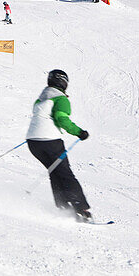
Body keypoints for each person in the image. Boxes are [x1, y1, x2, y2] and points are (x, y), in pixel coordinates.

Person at [26, 69, 93, 222]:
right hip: (50, 141)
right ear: (63, 82)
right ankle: (81, 209)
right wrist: (79, 132)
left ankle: (64, 207)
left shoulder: (42, 97)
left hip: (33, 142)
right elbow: (62, 119)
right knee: (65, 174)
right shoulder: (61, 99)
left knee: (55, 172)